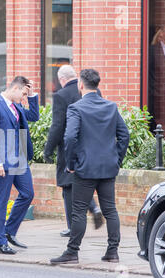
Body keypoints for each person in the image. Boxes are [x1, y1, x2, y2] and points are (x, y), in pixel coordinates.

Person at [50, 69, 129, 265]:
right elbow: (124, 135)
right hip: (107, 167)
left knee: (78, 211)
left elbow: (69, 137)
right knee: (110, 210)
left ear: (80, 85)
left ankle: (72, 251)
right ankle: (112, 252)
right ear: (97, 85)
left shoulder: (76, 108)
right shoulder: (111, 106)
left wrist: (71, 164)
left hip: (84, 168)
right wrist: (116, 159)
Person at [43, 65, 103, 238]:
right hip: (91, 146)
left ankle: (72, 227)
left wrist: (48, 149)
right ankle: (93, 207)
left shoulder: (61, 95)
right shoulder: (93, 92)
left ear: (62, 79)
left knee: (68, 187)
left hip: (70, 146)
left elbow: (57, 126)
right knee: (83, 181)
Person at [0, 76, 39, 255]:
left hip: (20, 159)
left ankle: (9, 231)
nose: (23, 97)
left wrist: (31, 96)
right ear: (15, 88)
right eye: (23, 93)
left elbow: (34, 116)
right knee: (2, 200)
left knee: (28, 193)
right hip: (4, 162)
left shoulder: (17, 106)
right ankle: (0, 243)